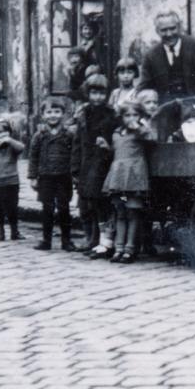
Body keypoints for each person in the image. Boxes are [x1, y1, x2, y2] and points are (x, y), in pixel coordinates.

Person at [71, 73, 119, 258]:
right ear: (88, 93)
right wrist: (74, 168)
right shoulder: (83, 115)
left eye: (101, 93)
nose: (97, 97)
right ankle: (91, 237)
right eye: (93, 93)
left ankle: (103, 241)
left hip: (102, 166)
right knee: (87, 204)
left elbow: (116, 141)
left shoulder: (111, 115)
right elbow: (77, 143)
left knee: (101, 204)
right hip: (86, 165)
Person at [102, 99, 153, 264]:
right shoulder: (116, 133)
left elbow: (152, 138)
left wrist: (139, 127)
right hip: (119, 183)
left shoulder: (140, 132)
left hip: (133, 182)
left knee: (132, 211)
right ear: (121, 117)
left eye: (135, 114)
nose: (131, 118)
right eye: (127, 115)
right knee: (121, 210)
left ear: (140, 116)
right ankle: (118, 248)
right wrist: (105, 147)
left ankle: (130, 249)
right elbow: (115, 152)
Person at [27, 99, 76, 251]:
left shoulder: (68, 134)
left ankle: (66, 241)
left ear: (63, 114)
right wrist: (33, 177)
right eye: (49, 112)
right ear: (42, 115)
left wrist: (74, 174)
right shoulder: (39, 135)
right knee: (47, 208)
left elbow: (74, 154)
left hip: (64, 176)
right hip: (46, 177)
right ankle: (46, 240)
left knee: (64, 207)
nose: (53, 115)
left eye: (57, 112)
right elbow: (33, 157)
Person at [140, 12, 195, 101]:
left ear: (179, 27)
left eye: (172, 28)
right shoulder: (151, 56)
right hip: (166, 110)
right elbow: (144, 86)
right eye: (164, 30)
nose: (169, 34)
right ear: (157, 31)